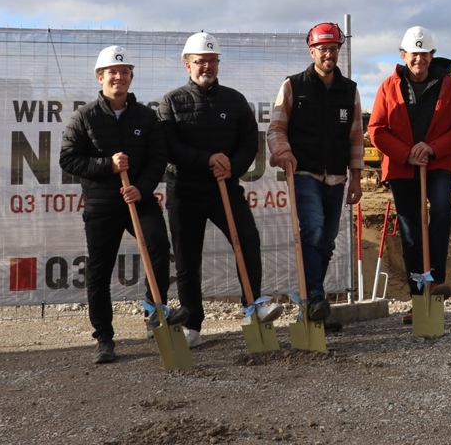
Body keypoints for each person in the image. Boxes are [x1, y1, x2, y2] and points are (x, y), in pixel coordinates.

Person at [59, 45, 186, 365]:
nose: (119, 77)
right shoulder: (84, 116)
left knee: (158, 243)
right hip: (102, 203)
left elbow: (158, 157)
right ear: (100, 77)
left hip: (138, 199)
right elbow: (68, 159)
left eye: (125, 71)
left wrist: (141, 189)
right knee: (99, 269)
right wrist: (108, 166)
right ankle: (104, 337)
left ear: (131, 78)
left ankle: (154, 311)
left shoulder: (146, 116)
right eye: (112, 72)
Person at [158, 32, 282, 348]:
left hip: (224, 189)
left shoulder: (234, 100)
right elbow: (169, 147)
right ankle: (193, 324)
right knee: (187, 260)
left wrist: (233, 166)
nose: (207, 67)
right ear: (188, 65)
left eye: (212, 61)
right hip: (184, 192)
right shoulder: (171, 102)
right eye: (201, 61)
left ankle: (253, 306)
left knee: (248, 240)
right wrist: (207, 159)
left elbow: (248, 144)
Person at [368, 26, 451, 324]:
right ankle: (418, 296)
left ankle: (436, 280)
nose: (419, 60)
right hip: (402, 167)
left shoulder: (449, 86)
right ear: (404, 55)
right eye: (414, 54)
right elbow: (376, 129)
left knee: (440, 209)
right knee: (411, 230)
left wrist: (432, 147)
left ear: (431, 56)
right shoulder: (388, 86)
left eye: (424, 54)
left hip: (437, 164)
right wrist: (405, 152)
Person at [266, 22, 364, 325]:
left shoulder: (350, 91)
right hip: (305, 173)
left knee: (327, 242)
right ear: (312, 51)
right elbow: (276, 129)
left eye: (333, 49)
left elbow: (356, 137)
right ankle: (316, 297)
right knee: (313, 230)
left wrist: (357, 178)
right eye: (323, 49)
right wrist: (283, 152)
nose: (328, 54)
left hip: (337, 177)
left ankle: (310, 305)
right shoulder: (293, 86)